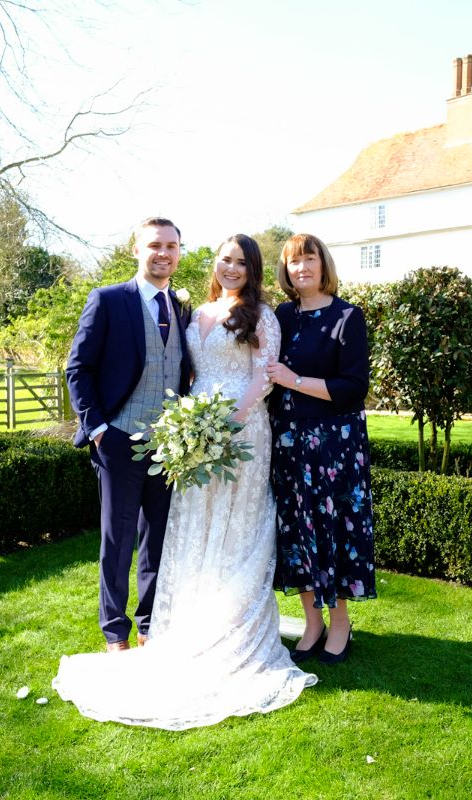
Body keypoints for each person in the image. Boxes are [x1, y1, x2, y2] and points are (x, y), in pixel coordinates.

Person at [53, 234, 316, 729]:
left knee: (231, 528)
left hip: (240, 433)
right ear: (213, 263)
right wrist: (184, 427)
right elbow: (178, 374)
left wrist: (228, 423)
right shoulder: (193, 310)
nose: (232, 267)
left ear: (253, 268)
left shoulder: (262, 314)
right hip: (190, 436)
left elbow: (265, 376)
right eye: (226, 259)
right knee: (182, 529)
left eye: (242, 261)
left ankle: (227, 624)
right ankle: (144, 628)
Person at [65, 217, 193, 652]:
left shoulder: (180, 307)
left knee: (157, 540)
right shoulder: (107, 300)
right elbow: (78, 368)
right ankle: (114, 632)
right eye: (154, 245)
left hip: (170, 446)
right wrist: (97, 428)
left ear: (179, 252)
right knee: (117, 542)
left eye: (172, 246)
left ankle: (150, 626)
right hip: (118, 438)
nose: (163, 253)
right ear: (135, 250)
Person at [265, 233, 377, 665]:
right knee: (298, 531)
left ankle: (341, 622)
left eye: (309, 259)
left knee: (333, 530)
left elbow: (354, 388)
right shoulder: (282, 316)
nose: (302, 268)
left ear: (322, 263)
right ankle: (312, 622)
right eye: (294, 262)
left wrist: (293, 380)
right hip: (289, 442)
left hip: (334, 445)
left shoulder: (347, 316)